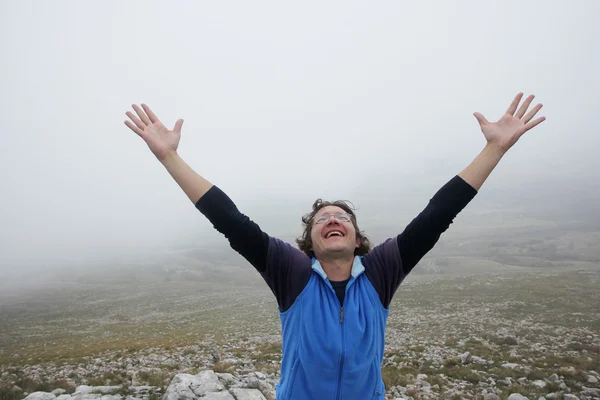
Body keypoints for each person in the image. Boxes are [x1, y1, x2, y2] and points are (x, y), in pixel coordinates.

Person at [124, 93, 545, 400]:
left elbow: (437, 214)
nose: (331, 219)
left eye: (341, 216)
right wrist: (169, 159)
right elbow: (230, 220)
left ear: (357, 238)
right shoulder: (291, 273)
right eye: (322, 217)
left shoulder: (382, 272)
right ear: (309, 242)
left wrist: (493, 149)